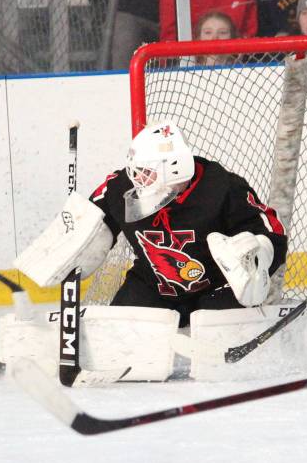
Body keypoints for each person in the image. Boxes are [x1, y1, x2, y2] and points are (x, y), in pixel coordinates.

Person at [15, 120, 288, 328]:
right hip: (153, 287)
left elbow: (272, 230)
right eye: (136, 170)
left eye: (146, 172)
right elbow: (89, 220)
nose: (137, 179)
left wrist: (259, 253)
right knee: (118, 336)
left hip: (214, 289)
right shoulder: (121, 187)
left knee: (216, 342)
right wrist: (70, 240)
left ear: (175, 168)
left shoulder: (222, 187)